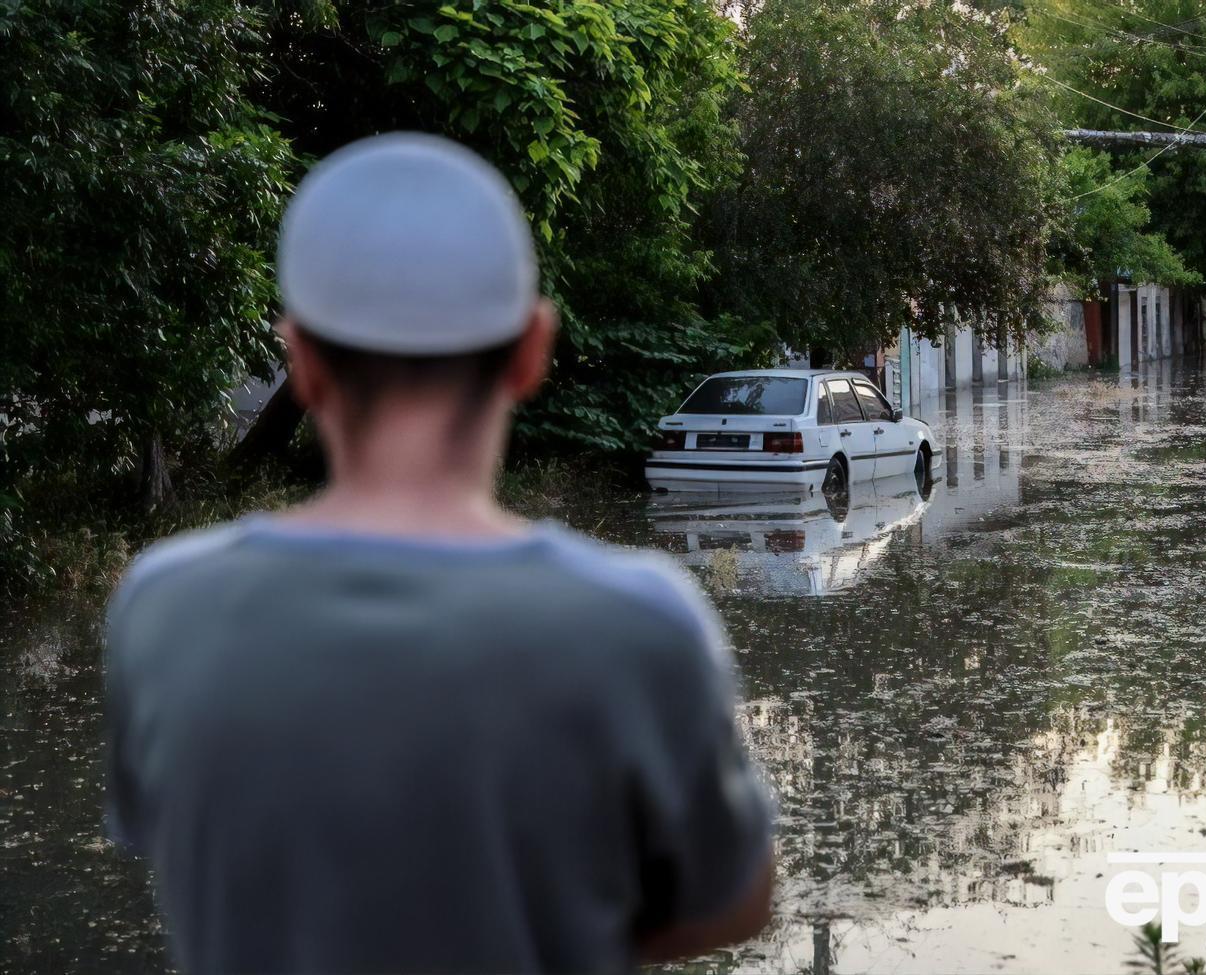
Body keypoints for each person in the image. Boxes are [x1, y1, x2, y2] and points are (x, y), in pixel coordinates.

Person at [104, 133, 774, 975]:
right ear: (532, 352)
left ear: (302, 364)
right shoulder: (641, 621)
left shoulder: (164, 608)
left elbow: (176, 848)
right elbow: (736, 899)